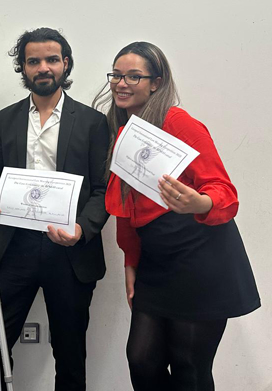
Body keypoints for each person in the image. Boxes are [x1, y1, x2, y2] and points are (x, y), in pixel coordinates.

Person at [94, 41, 260, 391]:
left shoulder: (177, 122)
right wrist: (130, 264)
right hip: (157, 261)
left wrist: (198, 203)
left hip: (201, 257)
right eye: (117, 75)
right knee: (141, 360)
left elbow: (224, 192)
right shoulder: (120, 128)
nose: (121, 83)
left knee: (190, 368)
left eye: (133, 76)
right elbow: (127, 209)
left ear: (156, 82)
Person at [0, 27, 110, 390]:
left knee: (69, 352)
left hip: (69, 249)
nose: (43, 67)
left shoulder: (93, 122)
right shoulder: (6, 119)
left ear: (65, 63)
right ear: (23, 68)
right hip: (14, 247)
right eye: (34, 61)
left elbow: (103, 190)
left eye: (51, 59)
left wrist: (82, 228)